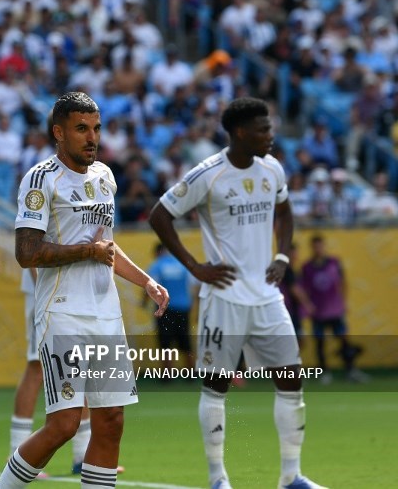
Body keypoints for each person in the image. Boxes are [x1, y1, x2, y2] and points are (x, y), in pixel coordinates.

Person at [149, 97, 327, 489]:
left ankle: (291, 476)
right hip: (224, 297)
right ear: (240, 132)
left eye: (271, 128)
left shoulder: (273, 168)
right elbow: (159, 215)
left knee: (292, 380)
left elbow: (285, 209)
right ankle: (218, 478)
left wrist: (281, 255)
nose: (271, 135)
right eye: (263, 129)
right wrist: (195, 267)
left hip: (266, 296)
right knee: (216, 386)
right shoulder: (207, 175)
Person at [0, 92, 170, 488]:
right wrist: (88, 251)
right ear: (58, 132)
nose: (91, 137)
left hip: (105, 313)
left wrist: (145, 279)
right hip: (62, 312)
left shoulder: (105, 177)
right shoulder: (41, 179)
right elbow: (27, 252)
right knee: (64, 424)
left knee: (111, 420)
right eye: (81, 129)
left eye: (96, 129)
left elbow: (106, 246)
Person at [9, 268, 92, 478]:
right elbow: (30, 244)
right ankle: (18, 453)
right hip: (47, 292)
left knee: (77, 365)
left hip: (74, 293)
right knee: (37, 364)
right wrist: (45, 288)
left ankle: (83, 456)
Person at [299, 235, 368, 384]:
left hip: (335, 309)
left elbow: (343, 282)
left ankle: (350, 370)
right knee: (320, 342)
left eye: (321, 245)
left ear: (324, 246)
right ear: (312, 247)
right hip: (318, 311)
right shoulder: (307, 267)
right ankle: (324, 372)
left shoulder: (334, 263)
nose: (318, 249)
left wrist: (343, 302)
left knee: (343, 340)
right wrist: (307, 305)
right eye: (315, 246)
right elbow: (302, 288)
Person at [145, 243, 196, 375]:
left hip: (165, 309)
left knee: (165, 342)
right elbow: (194, 285)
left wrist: (143, 302)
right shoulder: (182, 265)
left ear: (157, 253)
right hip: (183, 308)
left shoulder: (157, 265)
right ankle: (191, 372)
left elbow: (150, 286)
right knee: (185, 341)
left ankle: (167, 374)